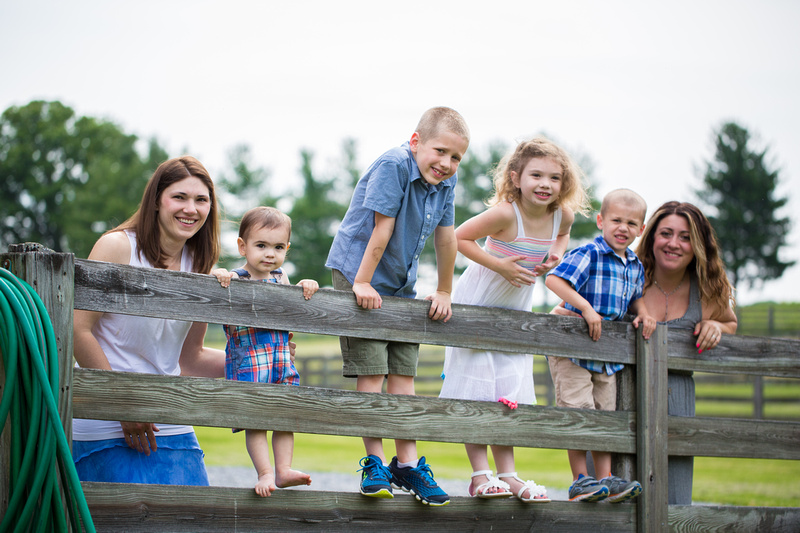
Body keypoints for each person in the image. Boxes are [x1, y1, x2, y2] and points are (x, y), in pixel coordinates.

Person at [325, 106, 470, 506]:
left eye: (456, 157)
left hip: (401, 282)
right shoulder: (393, 165)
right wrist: (363, 282)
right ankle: (374, 463)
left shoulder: (445, 183)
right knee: (372, 372)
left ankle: (407, 465)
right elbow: (381, 228)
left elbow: (446, 238)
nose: (446, 163)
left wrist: (444, 290)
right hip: (360, 272)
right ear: (415, 141)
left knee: (403, 376)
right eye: (440, 151)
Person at [438, 137, 591, 502]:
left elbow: (564, 234)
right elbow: (458, 238)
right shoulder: (507, 213)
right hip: (478, 304)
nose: (545, 184)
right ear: (515, 177)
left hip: (515, 313)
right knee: (478, 390)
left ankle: (507, 475)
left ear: (564, 183)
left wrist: (554, 253)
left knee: (507, 390)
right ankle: (479, 475)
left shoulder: (561, 216)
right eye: (536, 175)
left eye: (554, 178)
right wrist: (501, 266)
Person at [72, 156, 226, 485]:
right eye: (179, 197)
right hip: (105, 423)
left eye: (201, 200)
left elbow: (189, 358)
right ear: (157, 201)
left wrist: (256, 361)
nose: (191, 209)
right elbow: (77, 330)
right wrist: (122, 403)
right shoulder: (118, 247)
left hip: (170, 419)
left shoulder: (199, 262)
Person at [545, 188, 656, 503]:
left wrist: (645, 316)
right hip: (574, 350)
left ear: (641, 229)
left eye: (632, 223)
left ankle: (605, 479)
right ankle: (580, 479)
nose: (623, 228)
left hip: (607, 356)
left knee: (605, 415)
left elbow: (636, 297)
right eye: (616, 220)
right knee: (579, 412)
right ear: (600, 221)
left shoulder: (634, 264)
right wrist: (586, 308)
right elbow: (554, 280)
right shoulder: (589, 253)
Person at [211, 206, 318, 497]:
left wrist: (305, 286)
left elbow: (295, 304)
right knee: (255, 421)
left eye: (278, 247)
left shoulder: (280, 277)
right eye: (261, 246)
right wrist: (220, 274)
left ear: (287, 249)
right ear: (242, 247)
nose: (270, 253)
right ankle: (265, 472)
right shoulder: (236, 278)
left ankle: (283, 469)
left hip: (281, 360)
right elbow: (216, 281)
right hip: (249, 361)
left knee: (284, 417)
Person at [635, 200, 737, 504]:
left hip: (676, 405)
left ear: (698, 245)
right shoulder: (627, 276)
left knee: (673, 502)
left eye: (685, 237)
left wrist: (714, 326)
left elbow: (730, 323)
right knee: (608, 505)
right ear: (651, 236)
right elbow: (566, 310)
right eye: (666, 233)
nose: (674, 244)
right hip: (620, 400)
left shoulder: (706, 289)